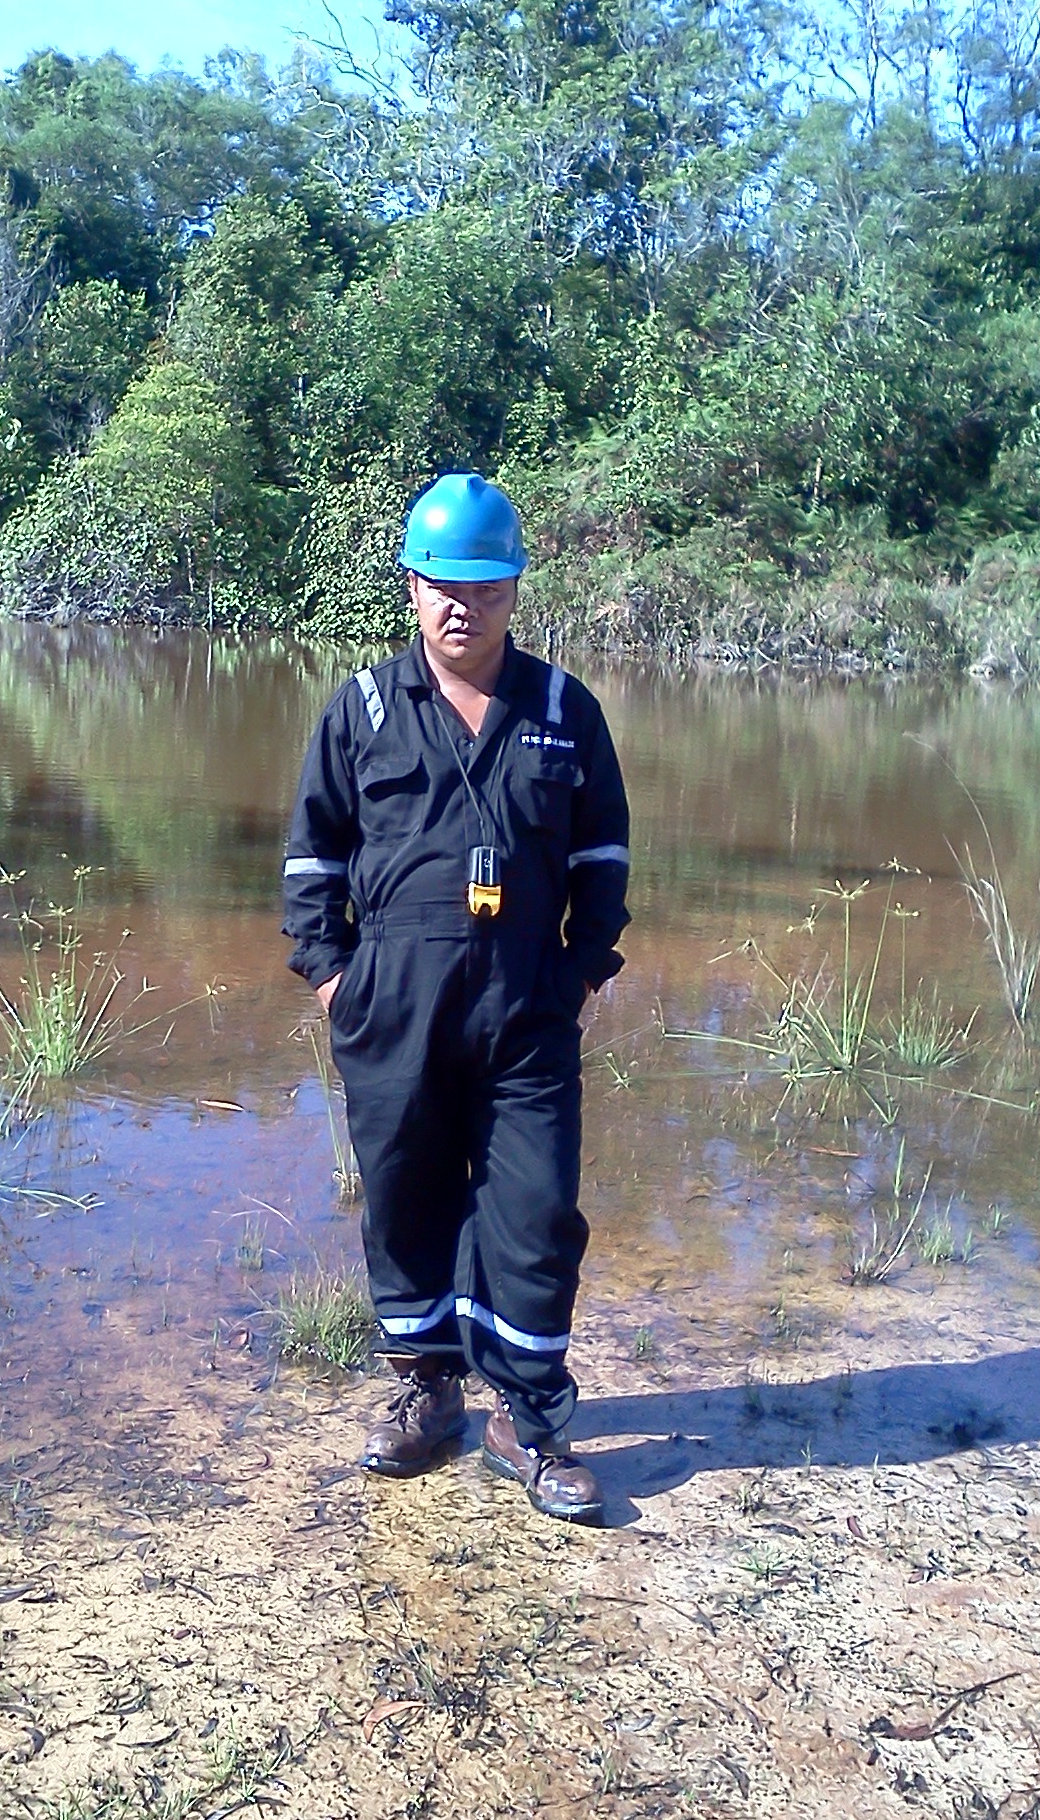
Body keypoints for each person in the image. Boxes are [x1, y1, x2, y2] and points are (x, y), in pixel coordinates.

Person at [282, 472, 630, 1524]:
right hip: (396, 1007)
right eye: (440, 582)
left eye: (482, 584)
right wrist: (338, 978)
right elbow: (312, 859)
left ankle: (526, 1418)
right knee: (403, 1196)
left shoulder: (565, 712)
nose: (459, 605)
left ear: (515, 588)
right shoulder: (365, 707)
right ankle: (427, 1388)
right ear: (410, 585)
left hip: (525, 1010)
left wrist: (572, 977)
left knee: (535, 1210)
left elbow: (603, 864)